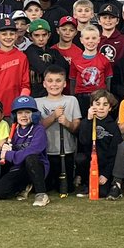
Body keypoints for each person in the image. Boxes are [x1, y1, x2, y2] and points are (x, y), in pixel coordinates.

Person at [0, 96, 50, 206]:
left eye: (27, 112)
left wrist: (10, 154)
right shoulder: (14, 130)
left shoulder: (38, 129)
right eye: (20, 113)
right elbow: (8, 153)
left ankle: (41, 194)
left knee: (31, 157)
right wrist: (6, 148)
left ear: (34, 114)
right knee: (0, 189)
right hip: (18, 168)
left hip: (35, 168)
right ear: (15, 116)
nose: (24, 116)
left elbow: (33, 150)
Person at [36, 66, 81, 196]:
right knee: (48, 186)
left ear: (65, 83)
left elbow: (76, 127)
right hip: (45, 152)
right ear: (44, 84)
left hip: (66, 151)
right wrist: (53, 117)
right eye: (50, 81)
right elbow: (37, 127)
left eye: (58, 80)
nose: (54, 84)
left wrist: (67, 123)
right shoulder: (37, 102)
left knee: (67, 188)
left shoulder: (71, 100)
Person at [77, 90, 123, 198]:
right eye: (97, 104)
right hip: (90, 163)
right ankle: (86, 184)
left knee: (101, 193)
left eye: (105, 104)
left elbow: (114, 153)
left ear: (110, 108)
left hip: (105, 166)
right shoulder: (86, 122)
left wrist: (106, 174)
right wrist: (88, 120)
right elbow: (84, 141)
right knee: (80, 158)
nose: (101, 108)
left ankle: (110, 184)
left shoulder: (113, 127)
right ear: (91, 106)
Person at [0, 17, 29, 116]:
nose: (8, 37)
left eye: (12, 34)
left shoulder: (22, 57)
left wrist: (21, 104)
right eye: (4, 34)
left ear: (16, 36)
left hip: (15, 109)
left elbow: (25, 84)